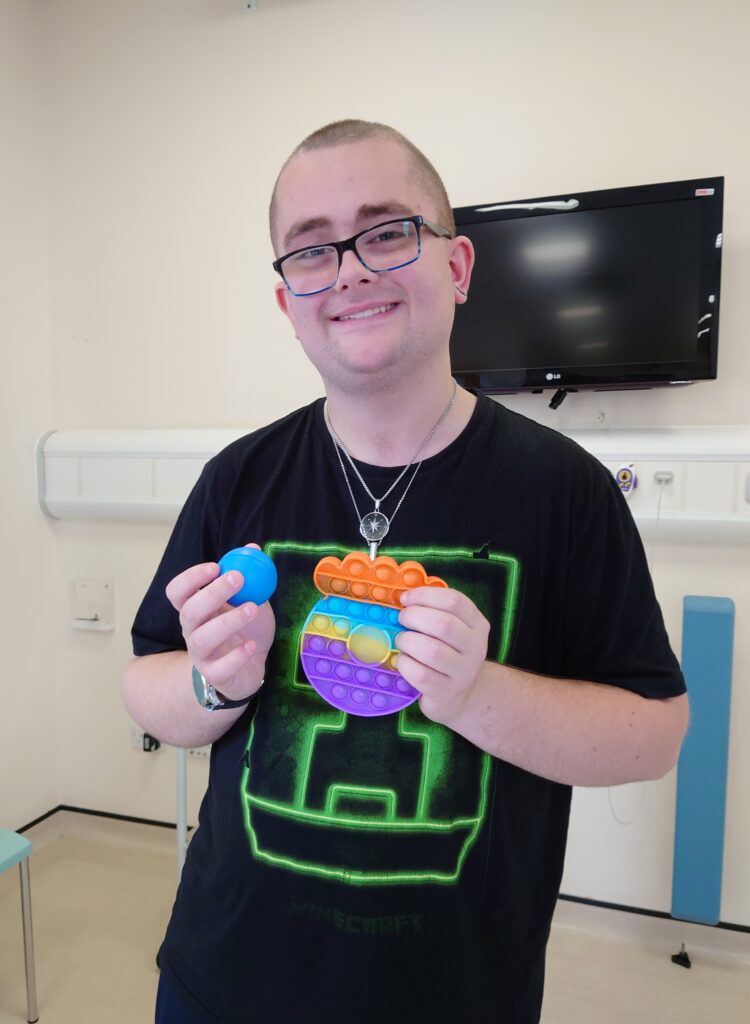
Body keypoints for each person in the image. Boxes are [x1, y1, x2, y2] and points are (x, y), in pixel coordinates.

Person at [124, 119, 689, 1024]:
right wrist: (214, 682)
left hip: (458, 993)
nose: (349, 270)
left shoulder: (566, 492)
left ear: (457, 266)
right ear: (288, 302)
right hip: (222, 982)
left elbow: (654, 736)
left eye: (386, 233)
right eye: (311, 250)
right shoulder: (238, 478)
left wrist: (475, 694)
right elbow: (146, 684)